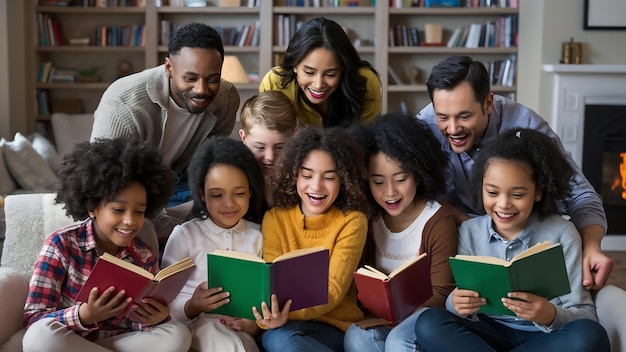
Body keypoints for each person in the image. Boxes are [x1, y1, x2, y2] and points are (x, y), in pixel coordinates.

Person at [416, 55, 613, 290]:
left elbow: (580, 195)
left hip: (526, 237)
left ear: (488, 103)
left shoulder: (526, 126)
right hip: (458, 235)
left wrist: (591, 247)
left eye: (464, 116)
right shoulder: (424, 126)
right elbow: (418, 195)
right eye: (443, 117)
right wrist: (472, 226)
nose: (453, 128)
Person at [414, 128, 610, 352]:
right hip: (487, 334)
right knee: (430, 322)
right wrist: (455, 303)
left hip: (544, 337)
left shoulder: (563, 232)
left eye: (517, 195)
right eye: (492, 192)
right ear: (481, 189)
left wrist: (549, 314)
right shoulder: (468, 232)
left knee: (591, 336)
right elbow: (459, 301)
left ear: (538, 192)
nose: (504, 204)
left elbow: (585, 315)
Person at [22, 138, 191, 352]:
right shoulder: (61, 245)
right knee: (38, 337)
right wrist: (84, 315)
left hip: (119, 343)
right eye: (118, 210)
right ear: (92, 207)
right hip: (70, 342)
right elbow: (33, 319)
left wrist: (156, 318)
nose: (130, 221)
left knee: (177, 334)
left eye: (139, 212)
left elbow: (135, 324)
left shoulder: (144, 256)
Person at [91, 22, 240, 209]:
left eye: (212, 79)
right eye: (190, 78)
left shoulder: (225, 98)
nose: (202, 90)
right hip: (130, 184)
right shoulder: (122, 104)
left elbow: (209, 159)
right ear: (169, 67)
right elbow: (101, 179)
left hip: (182, 179)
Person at [343, 113, 458, 352]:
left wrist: (399, 312)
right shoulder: (367, 219)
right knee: (356, 336)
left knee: (398, 342)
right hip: (379, 318)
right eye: (378, 182)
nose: (390, 192)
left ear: (418, 174)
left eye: (401, 179)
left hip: (422, 319)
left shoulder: (437, 221)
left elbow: (442, 293)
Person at [252, 127, 371, 352]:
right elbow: (271, 283)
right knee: (276, 339)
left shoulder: (353, 221)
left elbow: (333, 290)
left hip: (334, 327)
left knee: (279, 341)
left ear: (343, 180)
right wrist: (268, 315)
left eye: (329, 177)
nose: (316, 186)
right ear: (294, 174)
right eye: (307, 175)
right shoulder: (275, 219)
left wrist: (281, 312)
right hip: (285, 326)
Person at [161, 136, 268, 352]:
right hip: (195, 328)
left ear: (250, 192)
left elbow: (267, 295)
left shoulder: (260, 236)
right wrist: (193, 306)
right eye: (217, 195)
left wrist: (255, 325)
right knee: (214, 332)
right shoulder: (186, 235)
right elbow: (164, 299)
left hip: (242, 333)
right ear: (202, 194)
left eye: (238, 193)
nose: (229, 204)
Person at [259, 17, 382, 128]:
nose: (318, 85)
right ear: (294, 65)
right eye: (309, 72)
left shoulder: (365, 83)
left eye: (330, 74)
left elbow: (367, 141)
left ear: (343, 67)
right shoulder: (275, 83)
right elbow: (269, 138)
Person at [238, 90, 298, 204]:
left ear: (295, 136)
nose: (270, 157)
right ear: (244, 137)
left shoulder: (303, 176)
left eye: (280, 147)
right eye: (260, 147)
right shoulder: (234, 175)